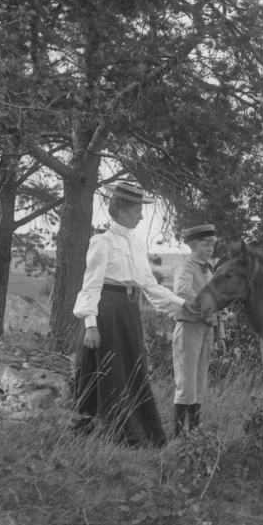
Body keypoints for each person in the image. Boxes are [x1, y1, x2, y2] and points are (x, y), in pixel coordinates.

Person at [71, 182, 195, 447]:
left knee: (133, 368)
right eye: (137, 211)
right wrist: (90, 324)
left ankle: (139, 432)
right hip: (105, 310)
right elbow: (90, 285)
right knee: (110, 371)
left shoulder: (138, 244)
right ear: (122, 211)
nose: (141, 217)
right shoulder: (101, 242)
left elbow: (149, 285)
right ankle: (111, 432)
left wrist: (182, 302)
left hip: (129, 310)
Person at [171, 224, 220, 436]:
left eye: (212, 245)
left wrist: (220, 333)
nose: (210, 249)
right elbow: (182, 290)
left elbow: (218, 301)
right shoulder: (187, 266)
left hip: (207, 329)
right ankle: (178, 436)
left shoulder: (210, 269)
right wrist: (206, 308)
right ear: (193, 245)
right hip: (189, 327)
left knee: (200, 381)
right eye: (205, 244)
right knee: (186, 381)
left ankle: (194, 434)